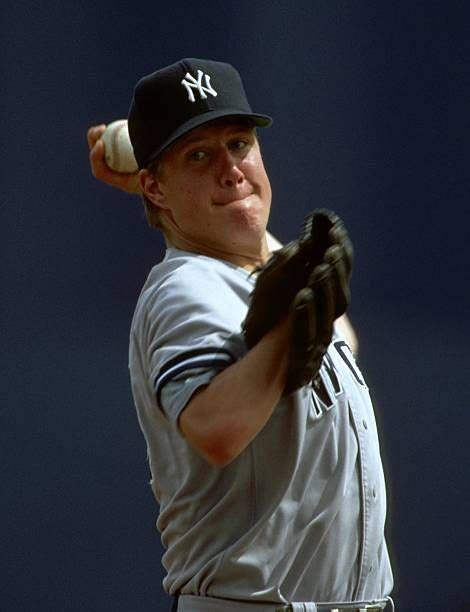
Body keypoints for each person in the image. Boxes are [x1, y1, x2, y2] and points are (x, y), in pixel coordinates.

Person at [87, 58, 394, 612]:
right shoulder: (187, 288)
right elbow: (218, 427)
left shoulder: (246, 276)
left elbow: (337, 333)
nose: (230, 168)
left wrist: (213, 204)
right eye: (199, 156)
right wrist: (287, 329)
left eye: (239, 143)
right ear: (156, 187)